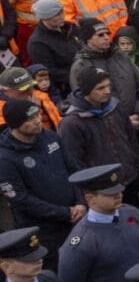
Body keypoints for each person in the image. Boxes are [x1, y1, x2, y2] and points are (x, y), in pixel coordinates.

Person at [0, 96, 83, 265]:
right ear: (15, 125)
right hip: (43, 231)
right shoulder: (5, 158)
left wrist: (81, 202)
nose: (38, 121)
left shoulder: (50, 137)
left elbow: (74, 170)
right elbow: (21, 199)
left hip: (75, 218)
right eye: (30, 120)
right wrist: (64, 213)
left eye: (37, 115)